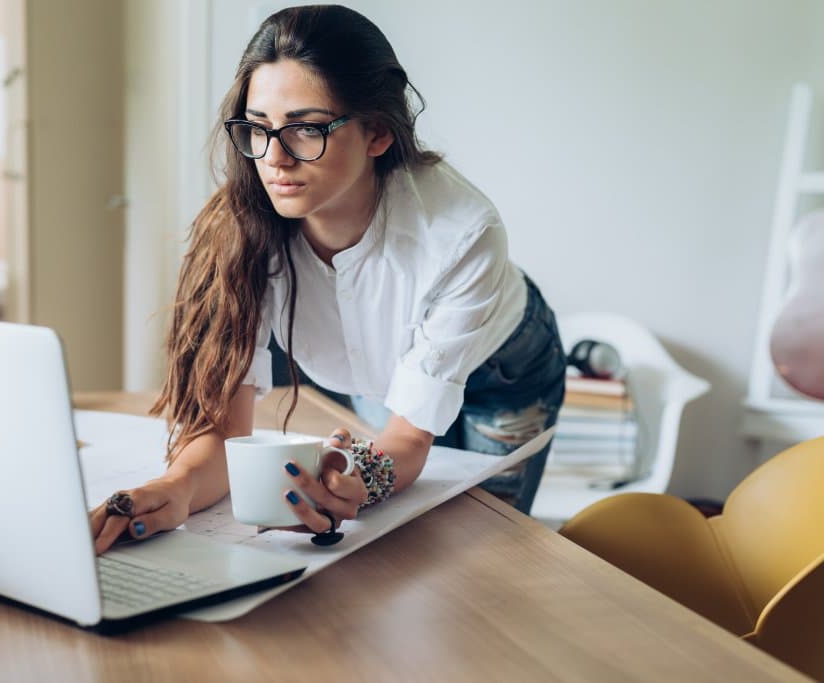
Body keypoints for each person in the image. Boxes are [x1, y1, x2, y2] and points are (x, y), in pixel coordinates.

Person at [91, 4, 565, 555]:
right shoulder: (238, 232)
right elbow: (222, 432)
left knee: (483, 548)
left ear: (378, 133)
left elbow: (408, 437)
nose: (275, 159)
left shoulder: (460, 232)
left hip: (502, 370)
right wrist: (171, 489)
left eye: (305, 129)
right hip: (386, 368)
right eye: (258, 129)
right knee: (394, 544)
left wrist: (366, 474)